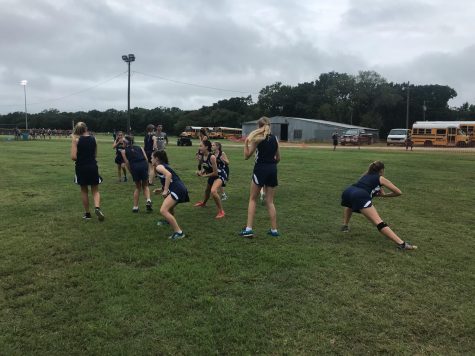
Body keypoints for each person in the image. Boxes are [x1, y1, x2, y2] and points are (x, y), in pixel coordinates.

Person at [340, 161, 417, 250]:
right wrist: (384, 195)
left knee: (350, 205)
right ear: (382, 170)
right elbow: (398, 192)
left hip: (348, 191)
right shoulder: (381, 178)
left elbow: (369, 188)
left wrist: (377, 192)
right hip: (359, 195)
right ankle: (402, 244)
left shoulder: (365, 175)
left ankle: (345, 226)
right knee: (378, 222)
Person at [239, 117, 280, 238]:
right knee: (270, 201)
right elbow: (278, 158)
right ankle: (274, 230)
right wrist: (270, 165)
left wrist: (246, 143)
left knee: (252, 199)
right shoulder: (275, 139)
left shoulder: (257, 139)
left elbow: (247, 156)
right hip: (273, 169)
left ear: (259, 127)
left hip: (260, 169)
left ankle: (248, 229)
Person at [70, 122, 105, 221]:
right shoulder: (94, 139)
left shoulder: (76, 140)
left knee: (84, 190)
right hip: (93, 166)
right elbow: (95, 155)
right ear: (86, 128)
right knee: (95, 190)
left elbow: (73, 157)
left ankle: (87, 214)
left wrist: (74, 142)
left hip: (81, 167)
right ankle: (97, 207)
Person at [152, 150, 189, 240]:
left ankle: (179, 233)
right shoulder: (162, 166)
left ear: (156, 158)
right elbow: (169, 180)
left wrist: (165, 191)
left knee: (163, 210)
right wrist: (161, 189)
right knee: (169, 207)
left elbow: (169, 175)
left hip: (177, 189)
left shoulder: (159, 167)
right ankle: (169, 221)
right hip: (180, 188)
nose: (150, 159)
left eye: (151, 157)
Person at [194, 140, 226, 219]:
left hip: (219, 175)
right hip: (212, 175)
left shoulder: (212, 157)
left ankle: (221, 211)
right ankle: (204, 203)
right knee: (207, 190)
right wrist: (201, 172)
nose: (199, 147)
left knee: (213, 191)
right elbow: (206, 167)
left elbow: (215, 173)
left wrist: (204, 176)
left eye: (201, 146)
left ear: (207, 147)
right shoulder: (202, 156)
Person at [121, 136, 152, 213]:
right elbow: (146, 159)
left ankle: (135, 207)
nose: (122, 144)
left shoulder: (123, 151)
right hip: (143, 165)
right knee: (145, 185)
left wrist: (131, 172)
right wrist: (147, 169)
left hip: (135, 167)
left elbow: (127, 163)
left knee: (138, 187)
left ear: (125, 143)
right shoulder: (140, 147)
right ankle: (148, 200)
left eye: (123, 142)